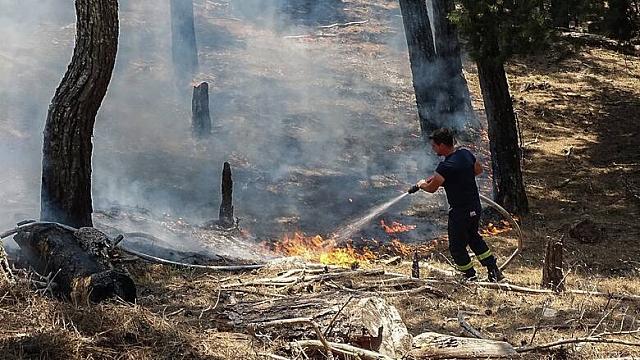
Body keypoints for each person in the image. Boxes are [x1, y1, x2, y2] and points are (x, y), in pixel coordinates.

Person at [412, 128, 504, 282]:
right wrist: (458, 178)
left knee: (456, 247)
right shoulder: (465, 154)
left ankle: (470, 276)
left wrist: (421, 184)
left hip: (460, 212)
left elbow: (432, 188)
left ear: (442, 145)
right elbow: (478, 170)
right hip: (475, 206)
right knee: (474, 238)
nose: (433, 148)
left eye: (434, 145)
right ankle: (493, 271)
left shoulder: (445, 167)